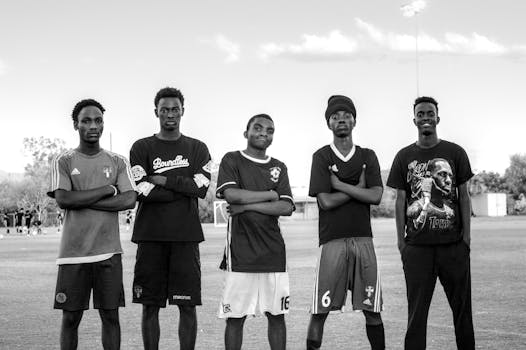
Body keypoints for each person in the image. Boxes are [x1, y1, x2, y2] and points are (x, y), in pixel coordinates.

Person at [48, 98, 137, 350]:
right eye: (86, 120)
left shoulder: (118, 161)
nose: (93, 125)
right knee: (71, 318)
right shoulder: (63, 161)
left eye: (98, 120)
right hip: (73, 255)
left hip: (108, 253)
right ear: (76, 125)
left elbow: (129, 199)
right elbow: (64, 199)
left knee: (110, 317)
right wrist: (108, 189)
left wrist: (84, 200)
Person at [386, 96, 475, 350]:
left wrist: (466, 239)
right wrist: (402, 242)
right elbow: (400, 199)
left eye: (430, 113)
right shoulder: (404, 156)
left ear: (438, 117)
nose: (426, 117)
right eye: (421, 113)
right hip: (417, 250)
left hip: (453, 247)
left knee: (462, 313)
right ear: (414, 119)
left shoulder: (455, 152)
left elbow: (464, 196)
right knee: (416, 316)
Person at [130, 87, 212, 350]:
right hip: (150, 238)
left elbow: (200, 189)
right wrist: (181, 189)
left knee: (187, 306)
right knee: (149, 307)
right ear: (156, 111)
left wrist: (164, 180)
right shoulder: (141, 147)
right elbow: (141, 190)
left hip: (185, 238)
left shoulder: (198, 148)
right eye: (164, 109)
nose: (169, 114)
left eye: (174, 109)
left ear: (183, 112)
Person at [306, 95, 385, 350]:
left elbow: (375, 196)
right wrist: (354, 188)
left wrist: (338, 186)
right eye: (335, 116)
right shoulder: (321, 156)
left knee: (372, 309)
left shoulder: (367, 155)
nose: (341, 119)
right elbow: (325, 202)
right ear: (328, 123)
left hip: (363, 240)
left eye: (346, 115)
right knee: (320, 310)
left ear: (354, 120)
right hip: (332, 242)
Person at [216, 114, 294, 350]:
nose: (263, 133)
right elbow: (232, 195)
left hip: (273, 254)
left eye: (269, 130)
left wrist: (246, 206)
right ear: (246, 132)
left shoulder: (279, 167)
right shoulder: (232, 160)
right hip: (241, 255)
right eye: (257, 128)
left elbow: (286, 206)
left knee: (277, 316)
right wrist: (270, 194)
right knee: (235, 318)